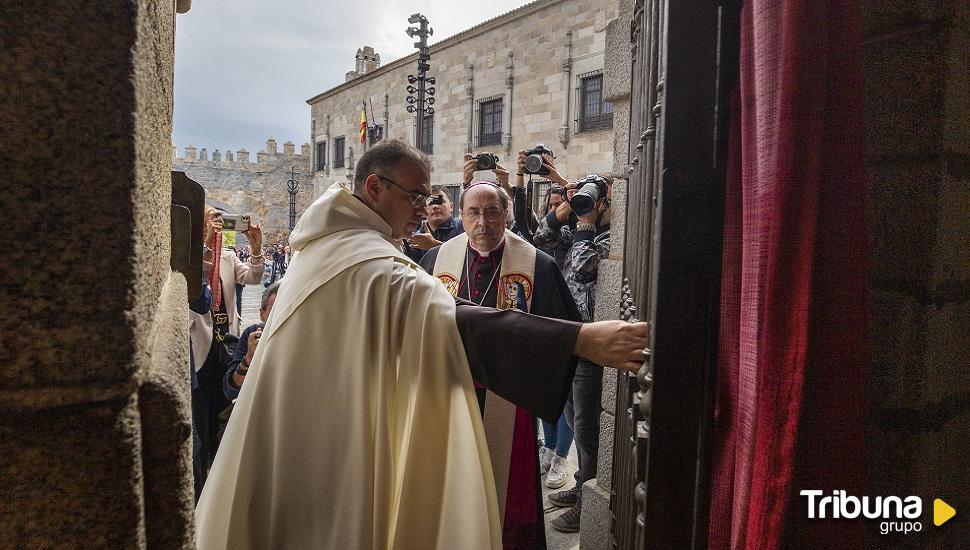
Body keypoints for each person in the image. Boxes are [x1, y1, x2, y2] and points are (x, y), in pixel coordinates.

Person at [195, 140, 648, 550]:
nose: (424, 207)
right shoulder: (363, 257)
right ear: (374, 186)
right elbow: (443, 318)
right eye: (415, 195)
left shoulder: (335, 243)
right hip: (326, 438)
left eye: (430, 197)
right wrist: (580, 338)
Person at [419, 181, 580, 549]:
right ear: (462, 216)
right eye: (473, 212)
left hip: (508, 398)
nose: (483, 222)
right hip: (449, 395)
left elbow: (563, 335)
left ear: (506, 215)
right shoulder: (435, 260)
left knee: (506, 489)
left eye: (493, 212)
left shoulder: (538, 264)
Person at [548, 174, 614, 533]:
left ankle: (589, 500)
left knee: (587, 430)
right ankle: (580, 486)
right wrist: (564, 211)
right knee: (573, 420)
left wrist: (586, 223)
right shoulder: (579, 230)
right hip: (569, 339)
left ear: (606, 203)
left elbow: (586, 268)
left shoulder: (609, 236)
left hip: (590, 344)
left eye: (594, 198)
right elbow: (542, 237)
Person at [189, 206, 264, 483]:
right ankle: (203, 471)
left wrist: (256, 247)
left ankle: (220, 471)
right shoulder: (191, 255)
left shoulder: (229, 257)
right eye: (210, 217)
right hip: (200, 345)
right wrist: (207, 242)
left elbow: (254, 277)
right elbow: (198, 274)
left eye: (219, 219)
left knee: (224, 408)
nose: (216, 222)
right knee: (202, 412)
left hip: (226, 341)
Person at [223, 281, 281, 402]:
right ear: (262, 314)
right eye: (275, 309)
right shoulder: (252, 335)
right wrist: (249, 358)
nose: (281, 316)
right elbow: (230, 390)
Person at [404, 185, 463, 263]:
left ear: (451, 206)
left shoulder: (462, 226)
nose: (435, 206)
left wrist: (435, 246)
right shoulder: (417, 238)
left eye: (440, 201)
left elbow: (468, 256)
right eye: (431, 202)